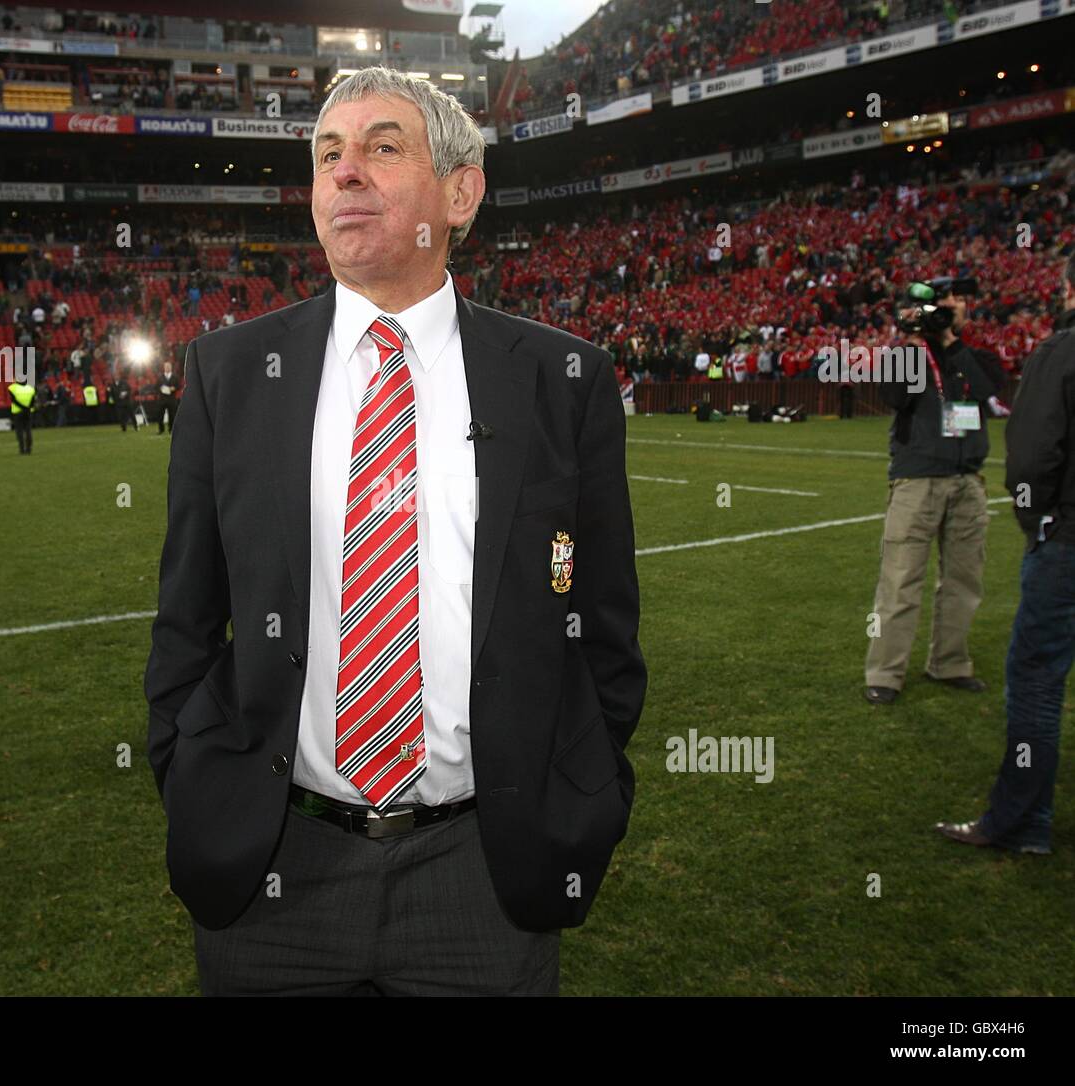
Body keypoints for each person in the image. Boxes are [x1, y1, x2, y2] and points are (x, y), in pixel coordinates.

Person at [145, 67, 647, 997]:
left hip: (481, 869)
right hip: (273, 868)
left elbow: (606, 631)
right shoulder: (226, 372)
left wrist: (585, 794)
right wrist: (189, 777)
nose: (345, 172)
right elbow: (186, 618)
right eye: (328, 154)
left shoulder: (563, 380)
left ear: (458, 193)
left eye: (381, 147)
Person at [937, 254, 1075, 855]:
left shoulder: (1060, 351)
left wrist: (1036, 517)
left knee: (1039, 680)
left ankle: (1022, 821)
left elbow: (1029, 454)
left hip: (1067, 538)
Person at [864, 278, 1002, 705]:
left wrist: (949, 340)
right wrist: (912, 342)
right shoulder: (906, 355)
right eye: (937, 305)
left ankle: (951, 662)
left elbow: (988, 389)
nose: (944, 310)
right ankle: (885, 673)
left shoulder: (973, 356)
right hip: (917, 479)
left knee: (964, 580)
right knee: (901, 578)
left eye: (951, 303)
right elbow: (892, 395)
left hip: (968, 480)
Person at [7, 379, 36, 454]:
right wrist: (27, 408)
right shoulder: (31, 388)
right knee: (28, 430)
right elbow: (33, 401)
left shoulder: (12, 388)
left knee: (19, 431)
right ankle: (29, 449)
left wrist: (23, 408)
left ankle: (22, 449)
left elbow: (14, 400)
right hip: (29, 412)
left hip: (18, 412)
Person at [155, 360, 180, 434]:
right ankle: (161, 429)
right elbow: (156, 387)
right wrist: (160, 389)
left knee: (172, 415)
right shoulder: (160, 377)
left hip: (171, 399)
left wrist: (174, 388)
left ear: (171, 367)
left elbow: (178, 386)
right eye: (166, 366)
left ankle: (171, 429)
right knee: (160, 415)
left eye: (169, 366)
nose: (167, 368)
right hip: (162, 399)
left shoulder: (175, 377)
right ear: (164, 367)